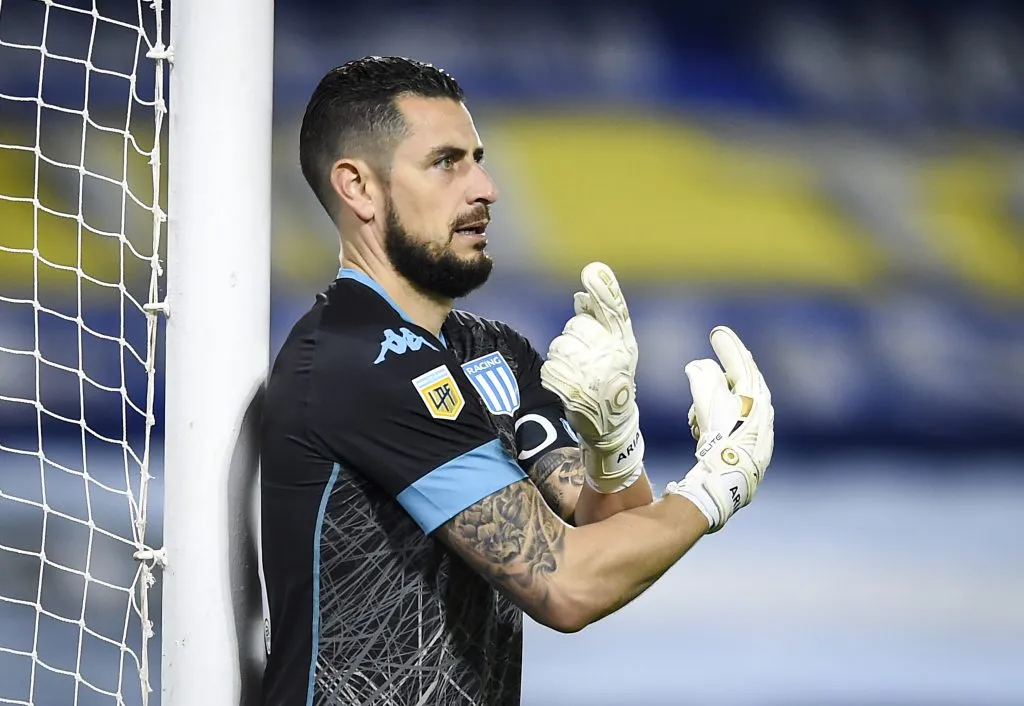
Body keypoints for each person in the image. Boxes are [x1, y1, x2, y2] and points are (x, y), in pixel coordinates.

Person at [258, 56, 775, 706]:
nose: (485, 187)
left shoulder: (491, 351)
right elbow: (567, 585)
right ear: (358, 188)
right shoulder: (354, 357)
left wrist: (613, 445)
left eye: (478, 158)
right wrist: (719, 482)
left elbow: (606, 542)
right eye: (446, 162)